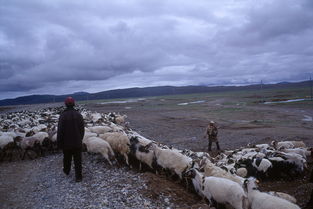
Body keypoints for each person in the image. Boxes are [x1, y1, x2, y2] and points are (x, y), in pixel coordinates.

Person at [57, 97, 85, 182]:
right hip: (77, 141)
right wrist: (80, 138)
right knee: (78, 160)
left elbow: (60, 130)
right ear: (74, 104)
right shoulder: (78, 115)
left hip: (66, 142)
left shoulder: (63, 115)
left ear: (65, 104)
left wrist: (59, 142)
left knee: (66, 157)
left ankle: (66, 170)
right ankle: (79, 177)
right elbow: (82, 129)